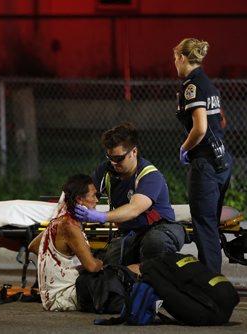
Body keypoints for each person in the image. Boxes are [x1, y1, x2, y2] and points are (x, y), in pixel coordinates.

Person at [74, 123, 186, 266]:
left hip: (162, 230)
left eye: (119, 158)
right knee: (108, 267)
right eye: (110, 157)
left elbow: (134, 209)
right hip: (130, 234)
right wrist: (76, 202)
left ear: (134, 152)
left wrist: (100, 216)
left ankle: (158, 279)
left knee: (153, 244)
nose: (114, 163)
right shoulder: (106, 170)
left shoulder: (149, 175)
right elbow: (84, 192)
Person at [173, 38, 233, 274]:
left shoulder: (192, 87)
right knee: (210, 225)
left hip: (206, 166)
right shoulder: (208, 84)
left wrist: (185, 148)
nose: (174, 64)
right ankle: (214, 278)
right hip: (222, 161)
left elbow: (200, 127)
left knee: (204, 226)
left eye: (175, 59)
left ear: (183, 58)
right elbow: (222, 120)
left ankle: (210, 284)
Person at [29, 174, 103, 311]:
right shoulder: (69, 226)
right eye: (93, 195)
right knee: (116, 280)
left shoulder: (59, 222)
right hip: (64, 296)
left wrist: (62, 261)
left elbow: (33, 246)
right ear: (79, 199)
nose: (96, 200)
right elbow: (92, 266)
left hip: (53, 295)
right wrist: (103, 262)